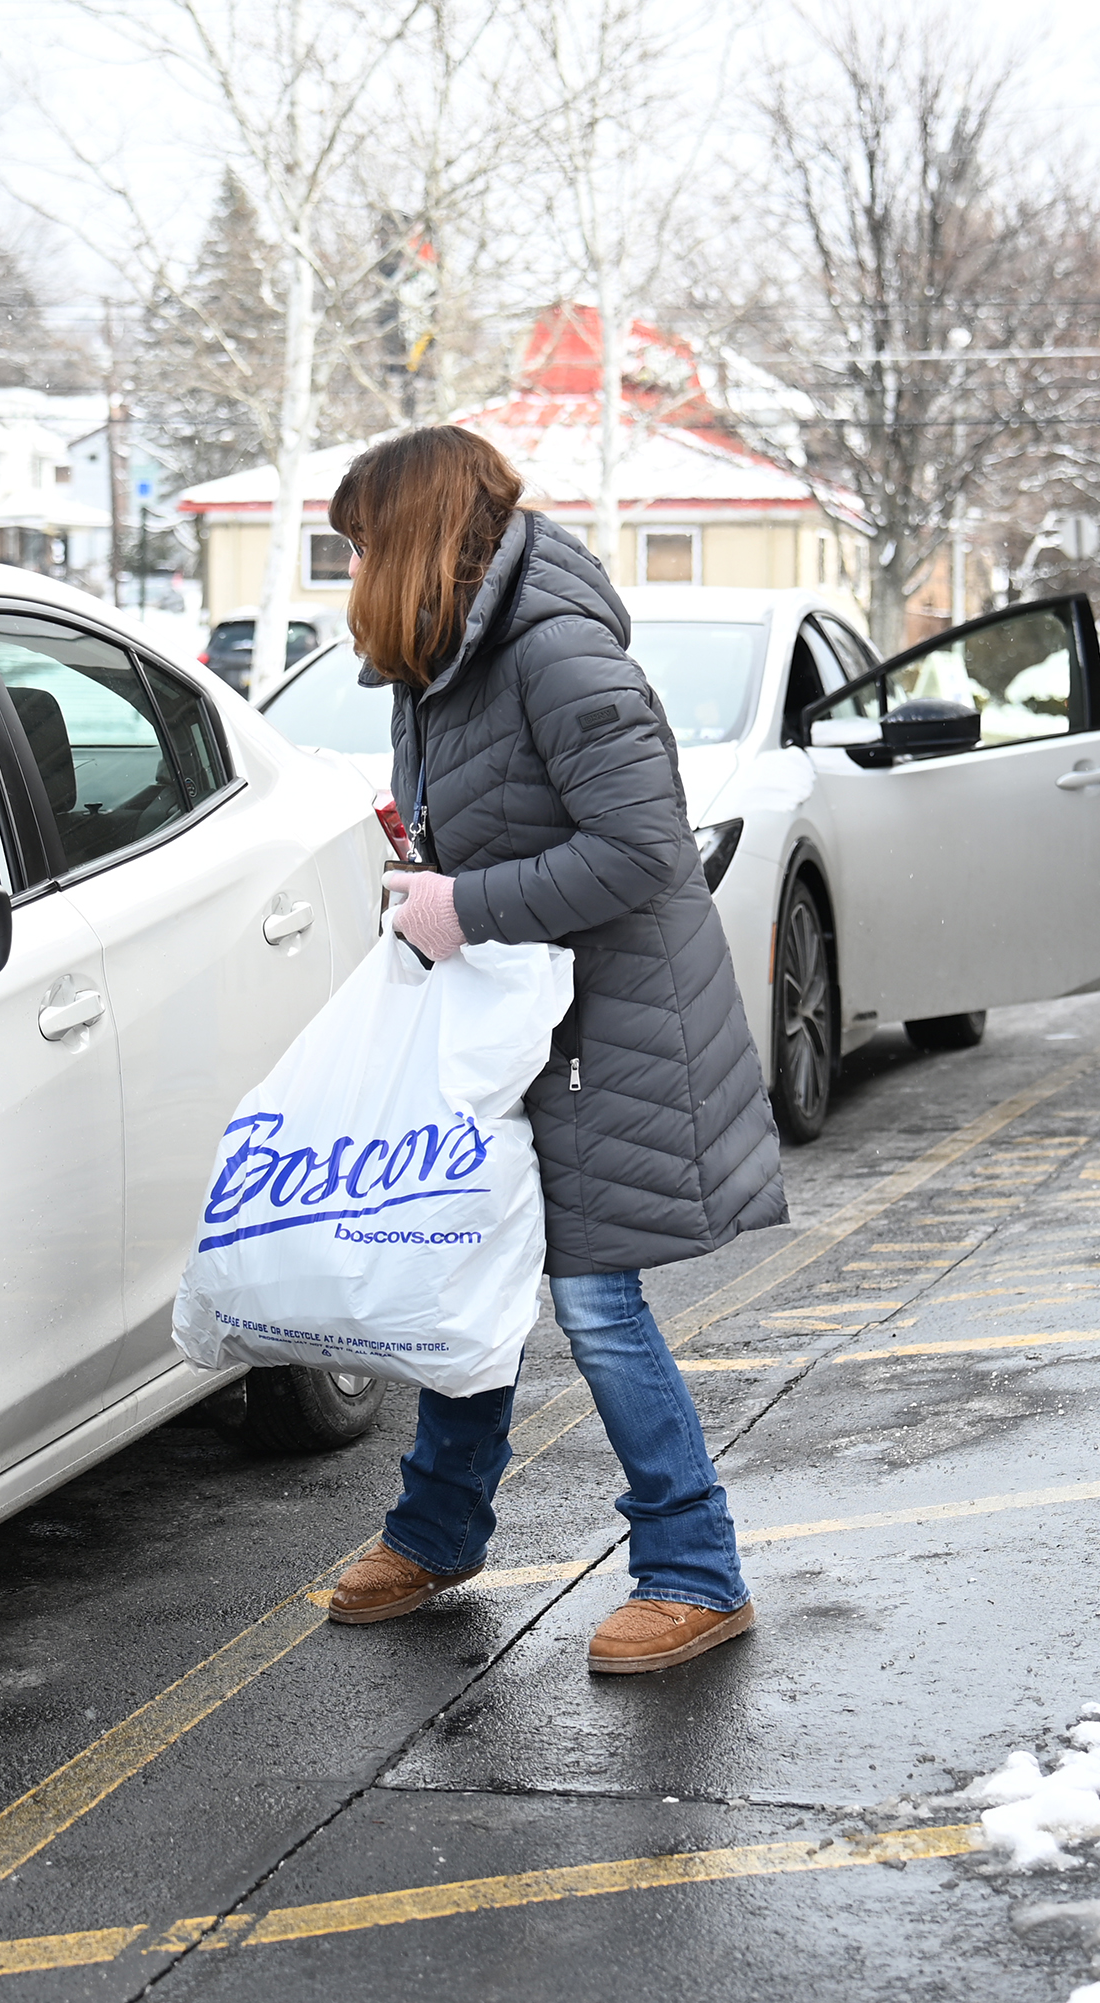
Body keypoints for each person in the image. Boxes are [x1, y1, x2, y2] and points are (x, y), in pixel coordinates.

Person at [318, 425, 785, 1674]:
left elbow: (642, 851)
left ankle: (696, 1571)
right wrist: (434, 869)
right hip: (511, 1015)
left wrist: (460, 904)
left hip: (606, 1021)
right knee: (471, 1266)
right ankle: (437, 1530)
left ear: (413, 535)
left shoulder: (556, 652)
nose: (349, 566)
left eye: (358, 542)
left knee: (591, 1296)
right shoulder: (446, 657)